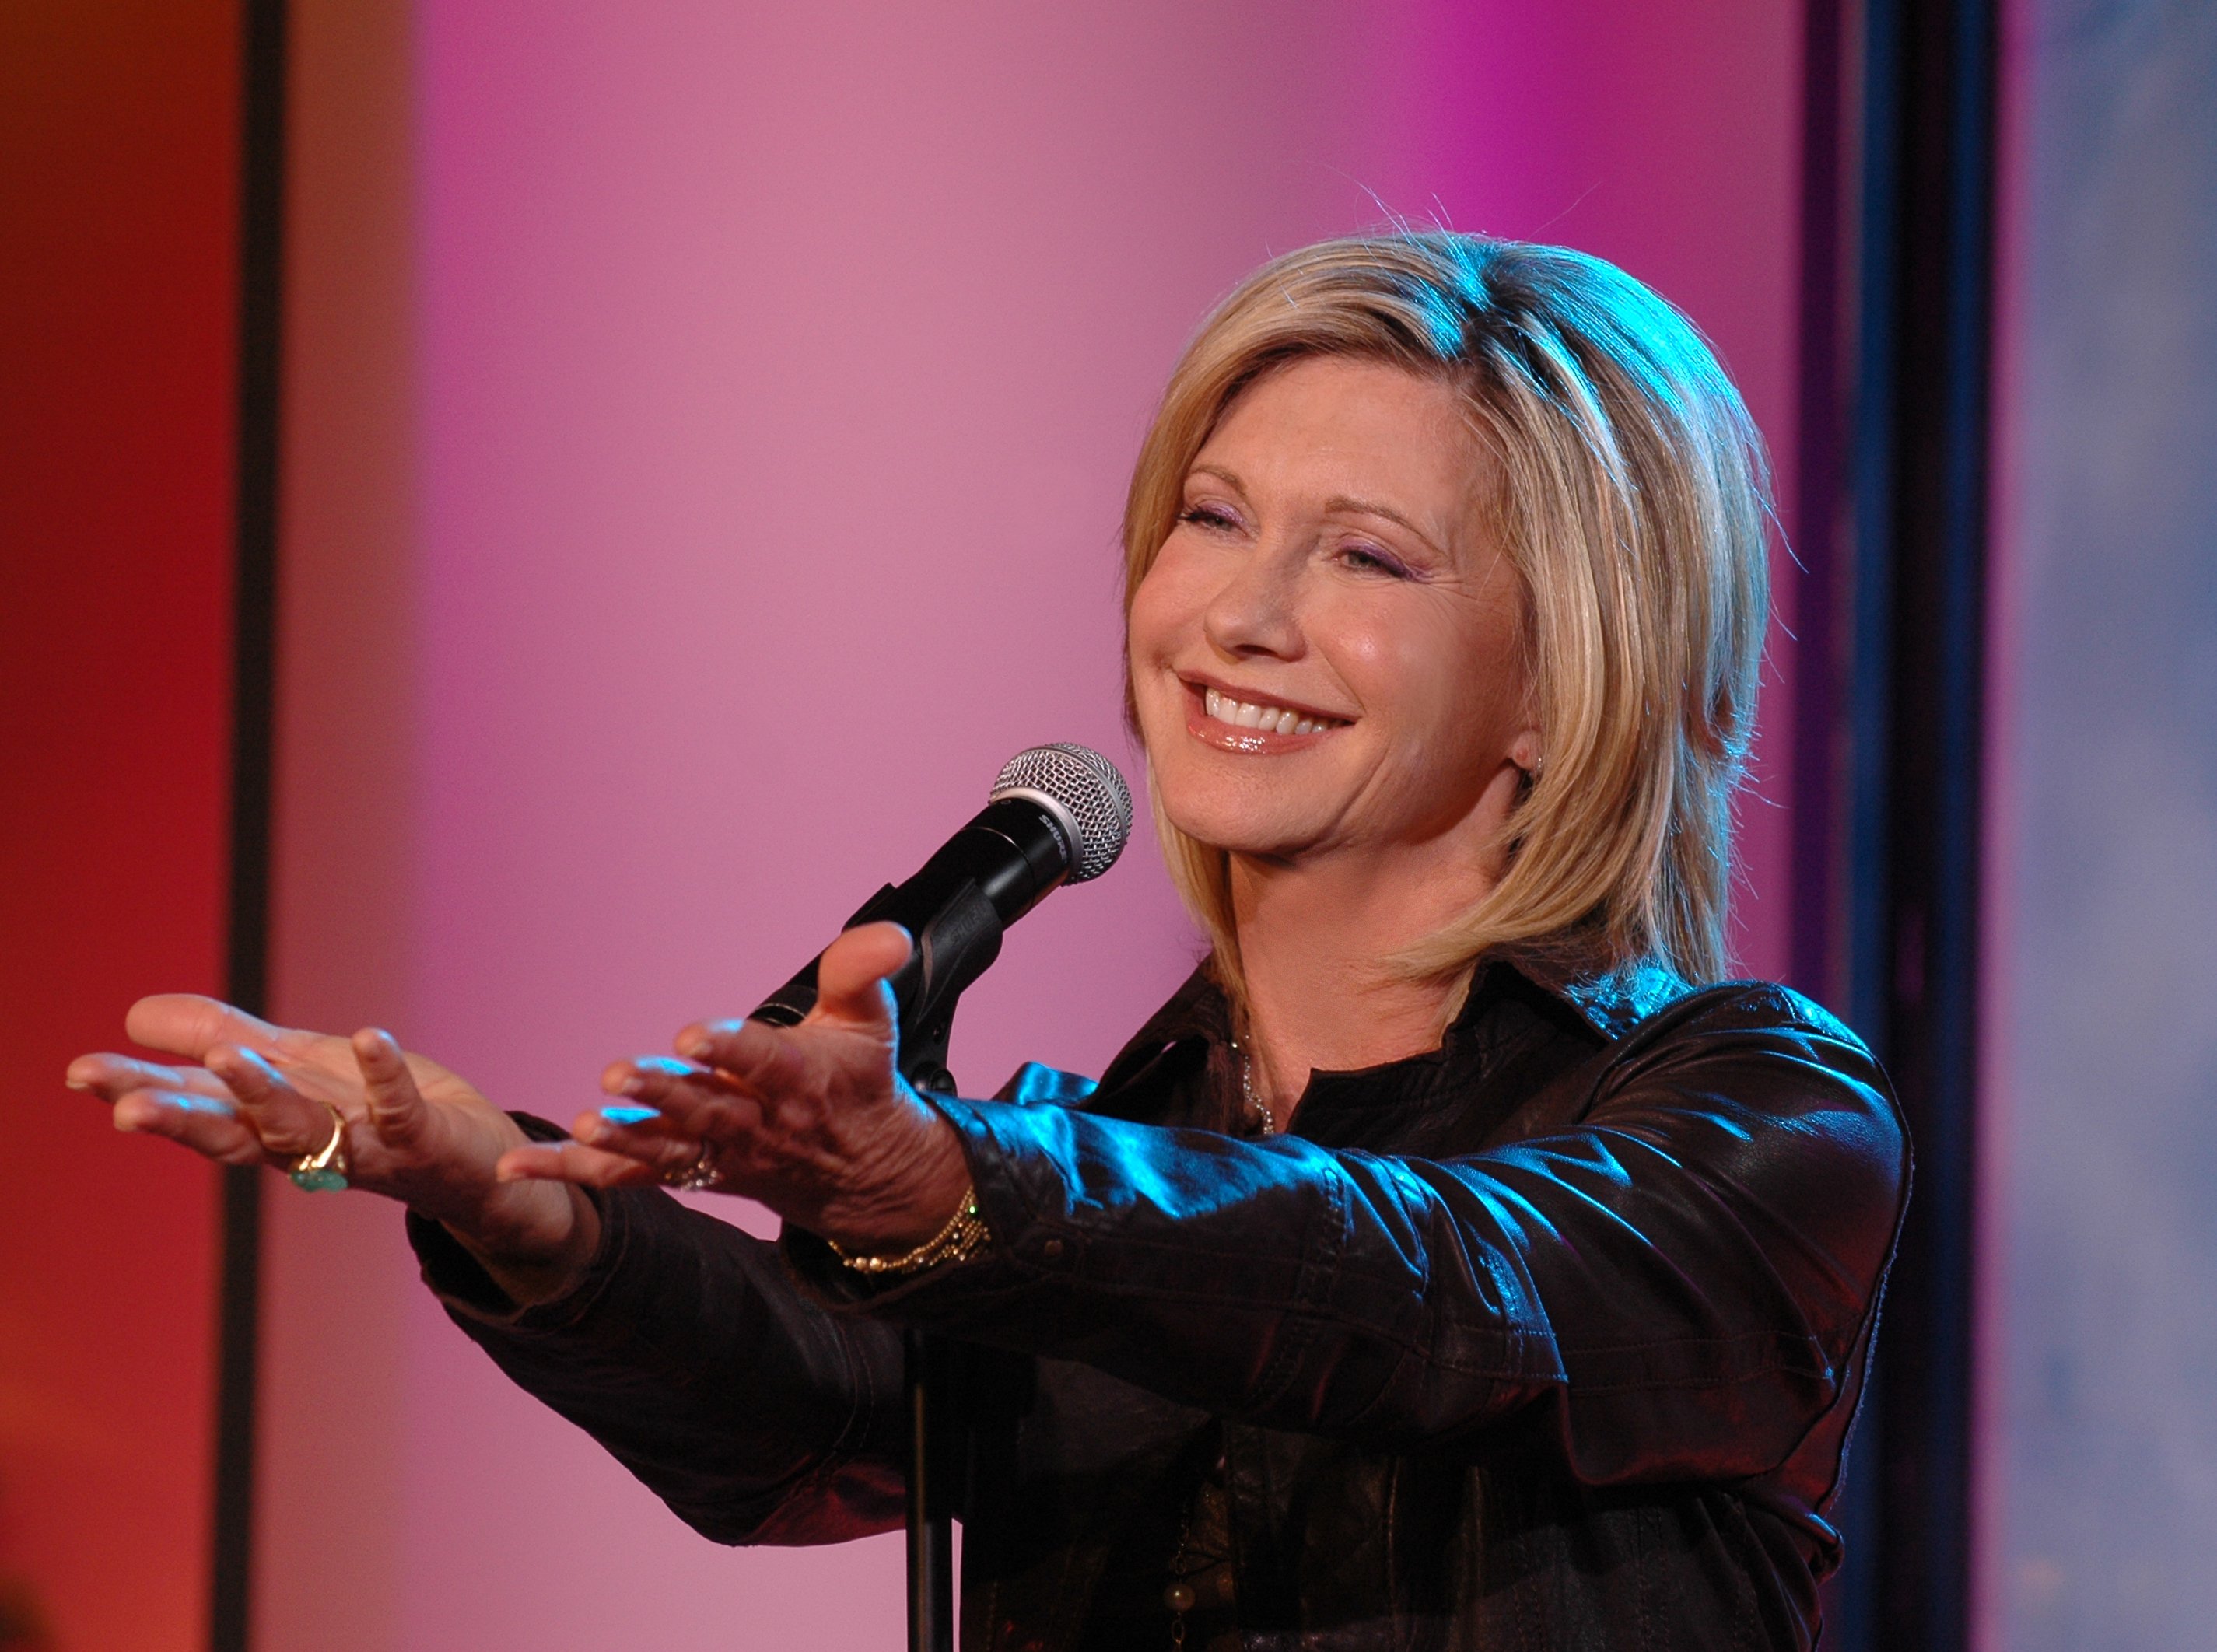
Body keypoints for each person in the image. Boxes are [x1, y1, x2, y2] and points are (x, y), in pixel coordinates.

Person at [69, 232, 1907, 1650]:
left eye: (1368, 559)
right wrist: (516, 1203)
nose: (1241, 616)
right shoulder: (1111, 1151)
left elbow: (1438, 1300)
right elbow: (822, 1422)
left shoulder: (1764, 1128)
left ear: (1561, 675)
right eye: (1213, 518)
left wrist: (956, 1185)